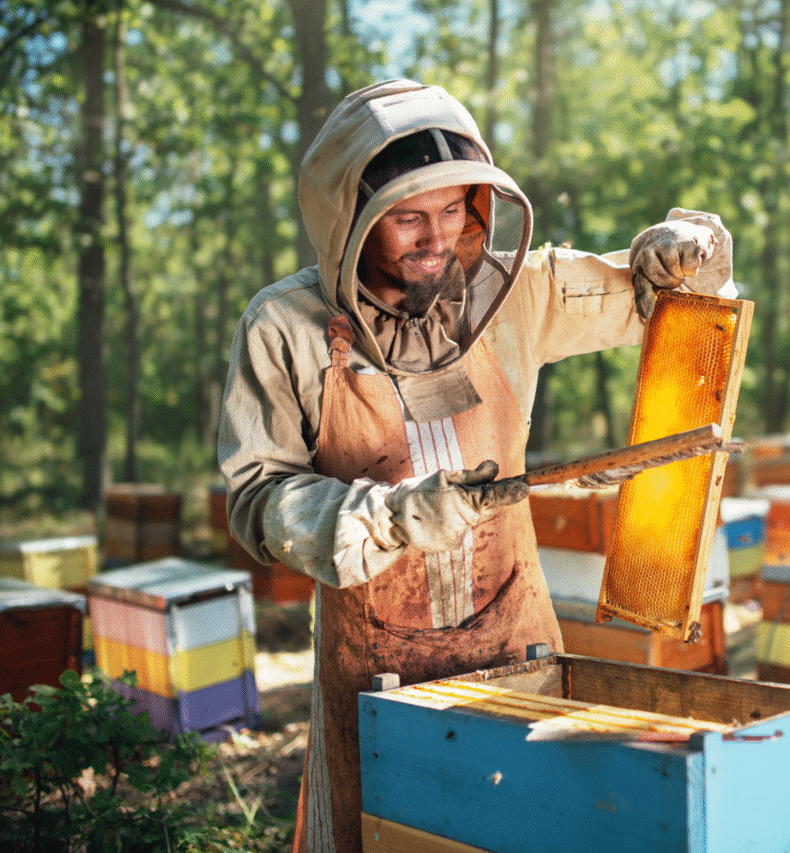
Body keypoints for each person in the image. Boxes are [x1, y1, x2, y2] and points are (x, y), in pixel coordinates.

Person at [217, 79, 734, 853]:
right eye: (407, 217)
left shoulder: (515, 294)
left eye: (455, 209)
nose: (437, 237)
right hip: (374, 671)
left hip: (516, 644)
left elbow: (652, 295)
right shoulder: (285, 328)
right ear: (347, 221)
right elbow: (257, 499)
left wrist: (673, 253)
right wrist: (383, 517)